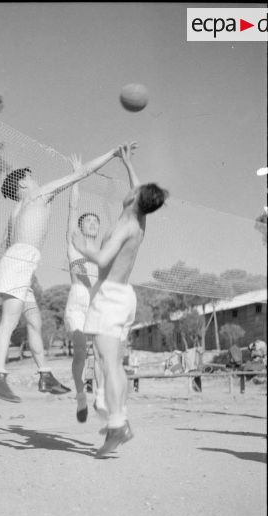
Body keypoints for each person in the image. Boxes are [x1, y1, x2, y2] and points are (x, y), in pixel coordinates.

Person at [0, 146, 124, 403]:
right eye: (31, 176)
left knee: (34, 321)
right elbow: (84, 173)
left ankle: (44, 374)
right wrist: (112, 154)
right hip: (20, 262)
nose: (36, 179)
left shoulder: (16, 212)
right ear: (22, 183)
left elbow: (2, 250)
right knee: (9, 321)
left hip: (20, 263)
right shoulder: (38, 195)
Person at [73, 142, 168, 457]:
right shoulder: (139, 219)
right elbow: (139, 188)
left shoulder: (126, 224)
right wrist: (127, 163)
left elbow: (101, 259)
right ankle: (117, 421)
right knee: (111, 363)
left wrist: (81, 245)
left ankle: (117, 423)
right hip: (124, 295)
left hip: (110, 295)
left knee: (108, 363)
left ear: (133, 199)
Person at [64, 178, 106, 422]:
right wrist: (77, 178)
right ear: (80, 227)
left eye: (95, 222)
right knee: (80, 353)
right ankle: (81, 396)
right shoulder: (74, 245)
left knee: (100, 354)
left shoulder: (100, 252)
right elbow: (72, 211)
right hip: (79, 301)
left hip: (97, 303)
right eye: (88, 221)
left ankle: (100, 397)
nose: (92, 223)